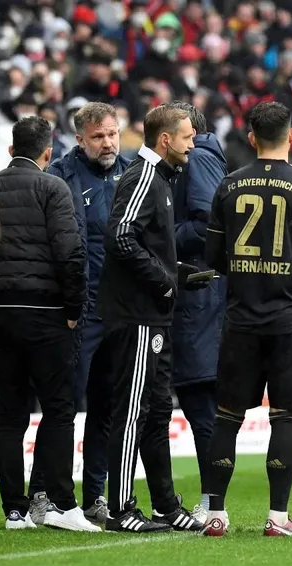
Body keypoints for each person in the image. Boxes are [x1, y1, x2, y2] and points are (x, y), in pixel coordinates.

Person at [200, 101, 292, 538]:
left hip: (240, 317)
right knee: (285, 417)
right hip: (288, 320)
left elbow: (212, 258)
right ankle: (278, 518)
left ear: (252, 138)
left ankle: (216, 514)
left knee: (226, 417)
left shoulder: (228, 185)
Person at [0, 116, 97, 532]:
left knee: (9, 412)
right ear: (48, 153)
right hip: (45, 311)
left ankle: (14, 510)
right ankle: (63, 505)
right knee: (59, 408)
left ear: (11, 150)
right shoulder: (52, 186)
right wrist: (73, 308)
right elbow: (70, 253)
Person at [94, 105, 202, 533]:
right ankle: (121, 509)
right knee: (132, 410)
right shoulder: (142, 176)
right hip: (137, 316)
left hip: (152, 316)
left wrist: (179, 275)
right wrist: (164, 281)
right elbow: (121, 235)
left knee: (157, 411)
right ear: (165, 140)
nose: (192, 144)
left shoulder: (158, 179)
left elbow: (141, 244)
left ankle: (165, 505)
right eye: (188, 137)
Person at [42, 102, 131, 526]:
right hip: (78, 312)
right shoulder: (61, 176)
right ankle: (43, 492)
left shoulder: (132, 174)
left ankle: (95, 495)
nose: (108, 143)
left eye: (112, 134)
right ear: (80, 139)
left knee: (106, 408)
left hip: (120, 312)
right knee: (63, 405)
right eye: (98, 137)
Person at [165, 101, 227, 524]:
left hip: (199, 299)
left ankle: (211, 501)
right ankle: (210, 498)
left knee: (200, 403)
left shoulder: (198, 160)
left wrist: (160, 235)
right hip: (204, 299)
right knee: (201, 404)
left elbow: (206, 226)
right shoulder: (209, 158)